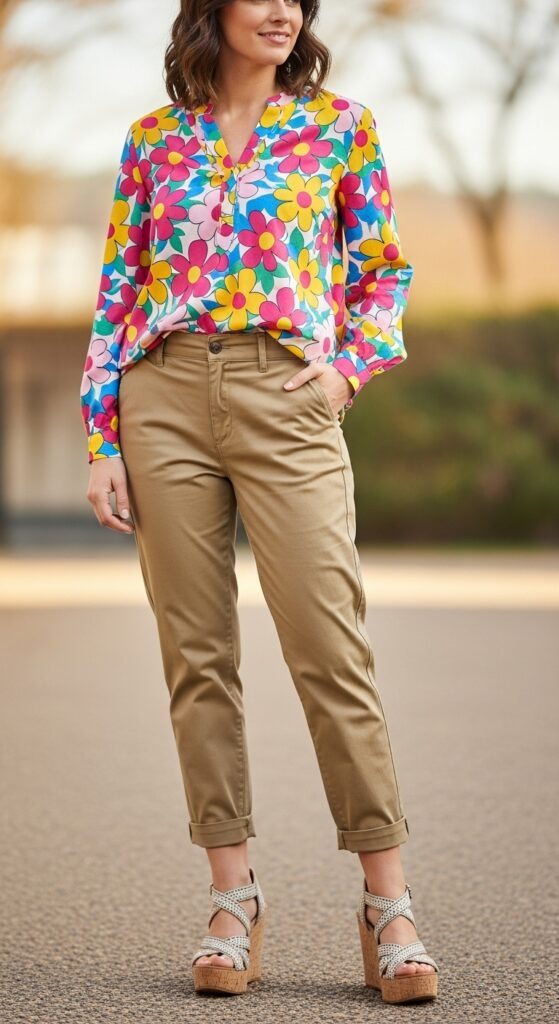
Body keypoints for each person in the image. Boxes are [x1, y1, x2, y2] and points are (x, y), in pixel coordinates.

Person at [80, 0, 439, 1003]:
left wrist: (343, 374)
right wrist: (103, 436)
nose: (282, 8)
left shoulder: (339, 127)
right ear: (212, 7)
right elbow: (119, 289)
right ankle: (231, 899)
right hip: (161, 397)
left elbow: (382, 274)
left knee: (330, 647)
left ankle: (388, 904)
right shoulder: (155, 139)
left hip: (286, 393)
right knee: (196, 656)